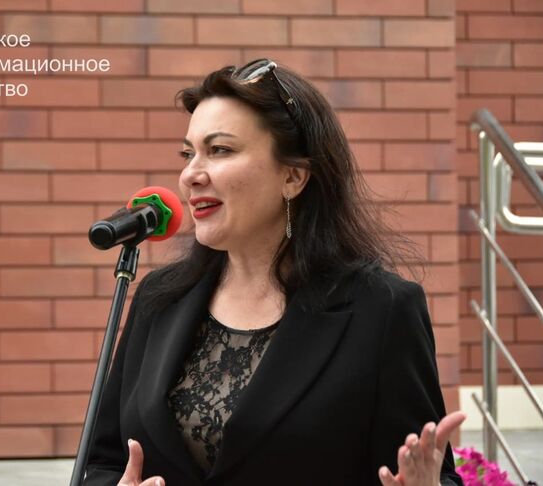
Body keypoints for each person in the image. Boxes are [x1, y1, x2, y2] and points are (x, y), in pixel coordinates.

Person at [83, 59, 465, 486]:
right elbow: (103, 462)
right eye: (188, 154)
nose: (190, 175)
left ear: (294, 177)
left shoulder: (381, 309)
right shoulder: (160, 297)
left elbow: (429, 475)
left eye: (220, 150)